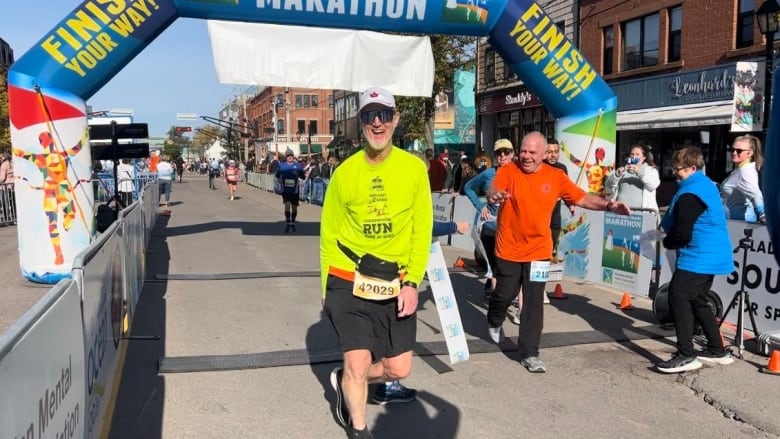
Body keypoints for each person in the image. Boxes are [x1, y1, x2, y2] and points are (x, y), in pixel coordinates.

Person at [321, 86, 433, 439]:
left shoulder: (414, 169)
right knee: (356, 361)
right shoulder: (344, 173)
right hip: (347, 277)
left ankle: (346, 379)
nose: (378, 123)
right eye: (370, 116)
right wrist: (325, 287)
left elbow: (422, 230)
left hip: (395, 282)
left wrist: (413, 281)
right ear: (361, 123)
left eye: (384, 114)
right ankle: (358, 428)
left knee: (399, 368)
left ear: (395, 119)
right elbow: (328, 234)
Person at [486, 131, 631, 373]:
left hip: (539, 251)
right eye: (523, 151)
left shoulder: (556, 176)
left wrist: (609, 205)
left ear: (544, 154)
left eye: (532, 152)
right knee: (504, 293)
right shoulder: (508, 171)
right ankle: (494, 317)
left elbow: (583, 198)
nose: (526, 156)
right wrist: (495, 196)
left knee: (534, 302)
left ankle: (530, 353)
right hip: (509, 249)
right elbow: (493, 190)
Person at [372, 218, 468, 406]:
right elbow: (424, 222)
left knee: (378, 328)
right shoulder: (402, 192)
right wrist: (455, 227)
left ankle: (368, 378)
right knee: (394, 333)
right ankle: (381, 385)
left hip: (370, 270)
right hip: (396, 272)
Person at [656, 146, 735, 373]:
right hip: (709, 254)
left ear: (692, 168)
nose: (674, 173)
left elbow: (682, 231)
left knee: (678, 295)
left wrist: (668, 242)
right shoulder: (702, 185)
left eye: (678, 169)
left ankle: (686, 354)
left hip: (700, 256)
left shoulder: (692, 193)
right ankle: (717, 350)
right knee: (698, 299)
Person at [463, 139, 515, 300]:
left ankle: (497, 294)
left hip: (513, 229)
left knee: (508, 267)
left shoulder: (519, 173)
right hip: (491, 227)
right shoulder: (488, 174)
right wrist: (481, 206)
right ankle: (498, 302)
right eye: (499, 153)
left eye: (506, 152)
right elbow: (468, 188)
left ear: (512, 154)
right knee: (495, 267)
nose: (503, 156)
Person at [720, 134, 766, 223]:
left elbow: (755, 195)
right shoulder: (739, 170)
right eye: (732, 149)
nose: (734, 153)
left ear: (750, 153)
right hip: (732, 221)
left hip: (738, 224)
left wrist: (763, 214)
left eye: (739, 151)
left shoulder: (745, 172)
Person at [604, 144, 660, 213]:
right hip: (621, 213)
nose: (634, 157)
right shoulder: (623, 170)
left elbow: (653, 185)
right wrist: (616, 175)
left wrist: (639, 172)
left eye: (637, 154)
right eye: (632, 154)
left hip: (642, 215)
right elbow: (608, 186)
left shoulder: (650, 170)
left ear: (644, 157)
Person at [276, 149, 305, 233]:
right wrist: (280, 180)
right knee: (287, 206)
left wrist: (297, 175)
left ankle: (293, 222)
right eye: (288, 156)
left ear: (293, 156)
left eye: (291, 155)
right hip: (285, 190)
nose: (290, 157)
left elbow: (303, 177)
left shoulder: (298, 166)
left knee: (294, 208)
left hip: (295, 191)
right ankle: (289, 223)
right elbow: (277, 175)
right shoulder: (282, 165)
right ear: (286, 157)